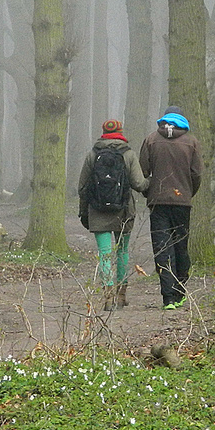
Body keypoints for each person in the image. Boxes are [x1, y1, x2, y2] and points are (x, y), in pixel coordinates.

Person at [77, 119, 148, 310]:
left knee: (105, 255)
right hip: (123, 211)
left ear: (103, 133)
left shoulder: (92, 154)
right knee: (122, 252)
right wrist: (152, 183)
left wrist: (84, 211)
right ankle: (121, 296)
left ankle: (107, 298)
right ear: (121, 132)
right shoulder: (129, 154)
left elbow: (82, 187)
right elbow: (139, 184)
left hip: (98, 211)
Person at [139, 108, 202, 310]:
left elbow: (142, 172)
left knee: (162, 248)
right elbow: (197, 174)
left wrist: (149, 191)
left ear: (163, 120)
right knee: (180, 246)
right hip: (182, 202)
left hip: (158, 202)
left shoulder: (150, 140)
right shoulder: (191, 142)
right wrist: (187, 193)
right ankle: (180, 292)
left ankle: (168, 298)